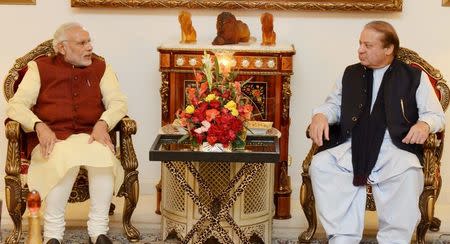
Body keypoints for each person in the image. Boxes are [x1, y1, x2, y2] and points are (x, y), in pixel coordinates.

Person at [308, 20, 445, 244]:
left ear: (388, 49)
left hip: (394, 145)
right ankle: (343, 236)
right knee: (322, 165)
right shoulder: (350, 74)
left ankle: (395, 240)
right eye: (360, 43)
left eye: (368, 45)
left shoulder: (414, 77)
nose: (360, 49)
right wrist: (320, 115)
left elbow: (436, 115)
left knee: (409, 173)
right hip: (354, 143)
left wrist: (424, 125)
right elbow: (333, 105)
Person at [6, 22, 127, 244]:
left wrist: (103, 122)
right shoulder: (38, 67)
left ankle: (98, 232)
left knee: (103, 157)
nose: (89, 47)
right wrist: (38, 126)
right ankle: (53, 235)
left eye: (89, 41)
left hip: (89, 134)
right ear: (62, 48)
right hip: (53, 137)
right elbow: (16, 106)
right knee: (62, 159)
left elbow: (118, 102)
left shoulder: (101, 67)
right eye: (82, 43)